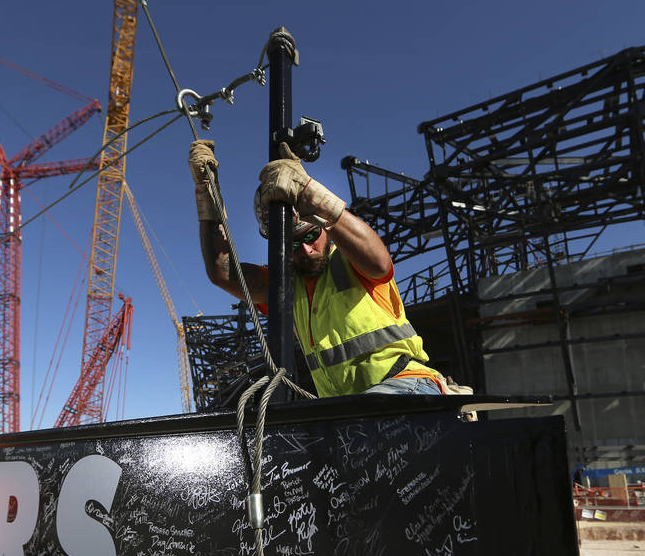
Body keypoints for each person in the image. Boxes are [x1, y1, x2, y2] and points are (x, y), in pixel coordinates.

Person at [189, 139, 459, 398]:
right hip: (348, 410)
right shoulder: (285, 285)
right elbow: (222, 272)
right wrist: (206, 193)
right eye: (292, 244)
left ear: (323, 225)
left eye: (310, 236)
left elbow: (380, 263)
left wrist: (310, 193)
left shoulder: (349, 259)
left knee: (357, 422)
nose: (306, 249)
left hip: (407, 385)